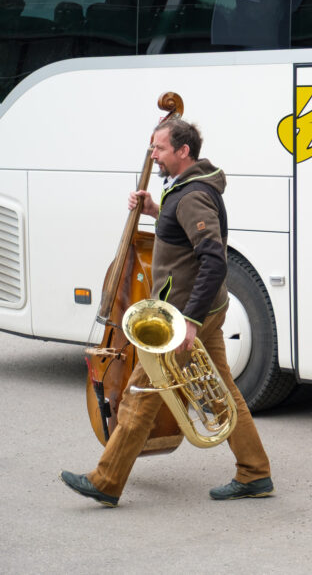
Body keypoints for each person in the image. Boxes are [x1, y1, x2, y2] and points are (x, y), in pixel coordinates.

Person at [60, 118, 273, 507]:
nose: (153, 155)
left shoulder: (193, 196)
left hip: (185, 315)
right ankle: (255, 472)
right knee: (222, 392)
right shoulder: (183, 189)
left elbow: (213, 260)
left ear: (182, 151)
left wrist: (189, 322)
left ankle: (107, 480)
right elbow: (182, 236)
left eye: (158, 148)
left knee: (139, 394)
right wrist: (156, 209)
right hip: (202, 309)